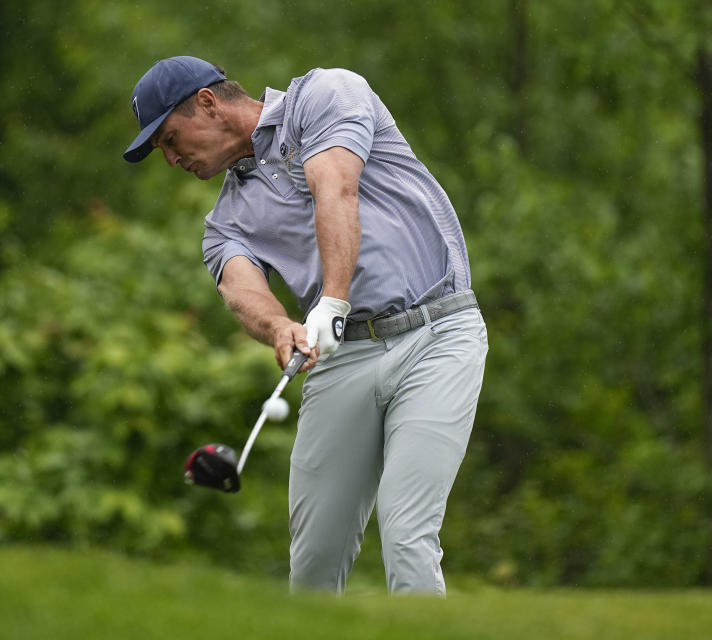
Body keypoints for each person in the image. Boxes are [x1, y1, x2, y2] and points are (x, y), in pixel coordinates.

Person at [123, 55, 488, 595]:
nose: (173, 159)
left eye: (171, 140)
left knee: (407, 530)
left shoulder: (325, 95)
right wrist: (277, 327)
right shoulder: (224, 222)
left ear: (206, 103)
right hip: (344, 358)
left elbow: (335, 188)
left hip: (437, 334)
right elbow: (239, 286)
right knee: (314, 560)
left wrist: (332, 300)